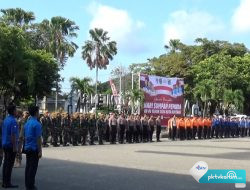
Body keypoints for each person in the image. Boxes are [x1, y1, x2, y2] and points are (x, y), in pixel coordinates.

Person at [23, 106, 42, 190]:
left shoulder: (27, 123)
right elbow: (38, 138)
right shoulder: (37, 124)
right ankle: (31, 185)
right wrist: (40, 151)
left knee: (28, 167)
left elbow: (23, 135)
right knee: (33, 168)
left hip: (27, 147)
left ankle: (27, 184)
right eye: (38, 111)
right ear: (36, 112)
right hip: (34, 148)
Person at [2, 104, 19, 188]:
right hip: (10, 145)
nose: (17, 111)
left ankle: (4, 182)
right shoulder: (13, 121)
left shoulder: (6, 119)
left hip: (4, 143)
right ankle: (7, 183)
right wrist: (15, 147)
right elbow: (13, 135)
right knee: (9, 165)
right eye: (16, 110)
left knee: (6, 163)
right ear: (13, 111)